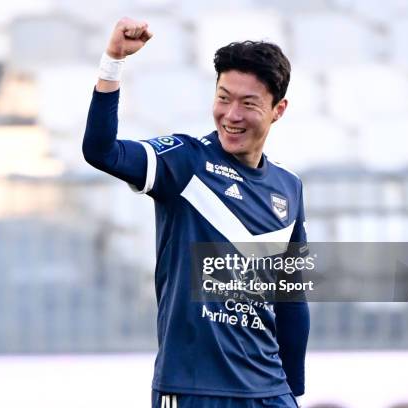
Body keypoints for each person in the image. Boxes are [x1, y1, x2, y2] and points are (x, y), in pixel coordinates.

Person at [83, 17, 310, 408]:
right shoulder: (186, 162)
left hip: (269, 392)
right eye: (223, 98)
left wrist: (293, 390)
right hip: (193, 390)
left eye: (248, 103)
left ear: (278, 110)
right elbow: (101, 151)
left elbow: (291, 301)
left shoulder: (289, 188)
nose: (231, 114)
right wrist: (114, 61)